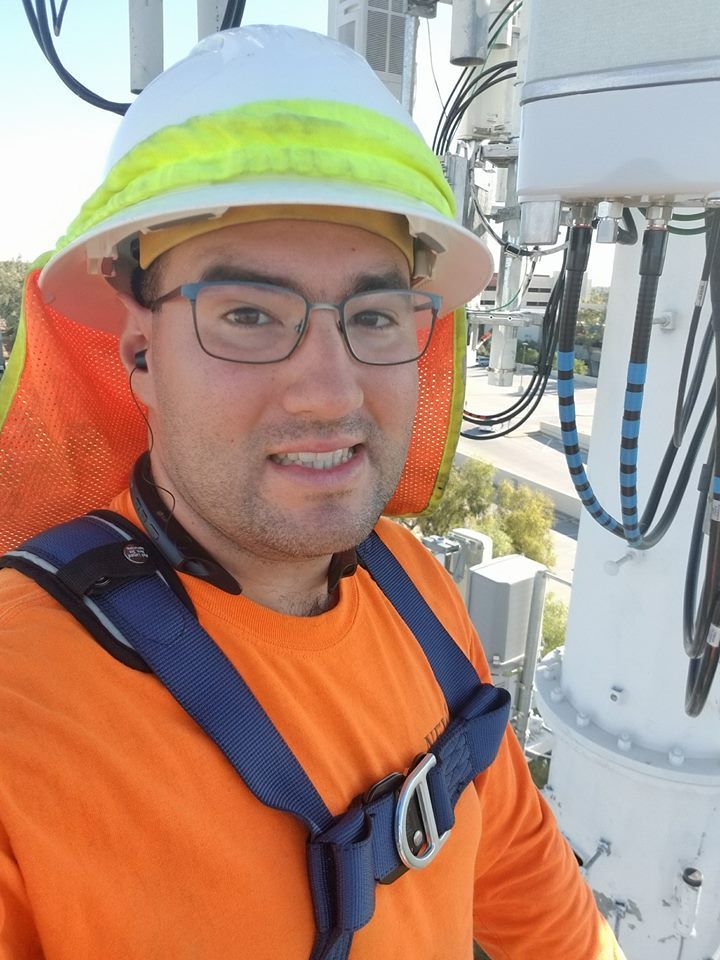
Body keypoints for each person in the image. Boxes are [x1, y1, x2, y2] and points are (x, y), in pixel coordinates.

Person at [0, 24, 624, 960]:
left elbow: (521, 878)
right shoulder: (25, 708)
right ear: (138, 353)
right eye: (248, 315)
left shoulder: (417, 591)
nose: (332, 391)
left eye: (373, 315)